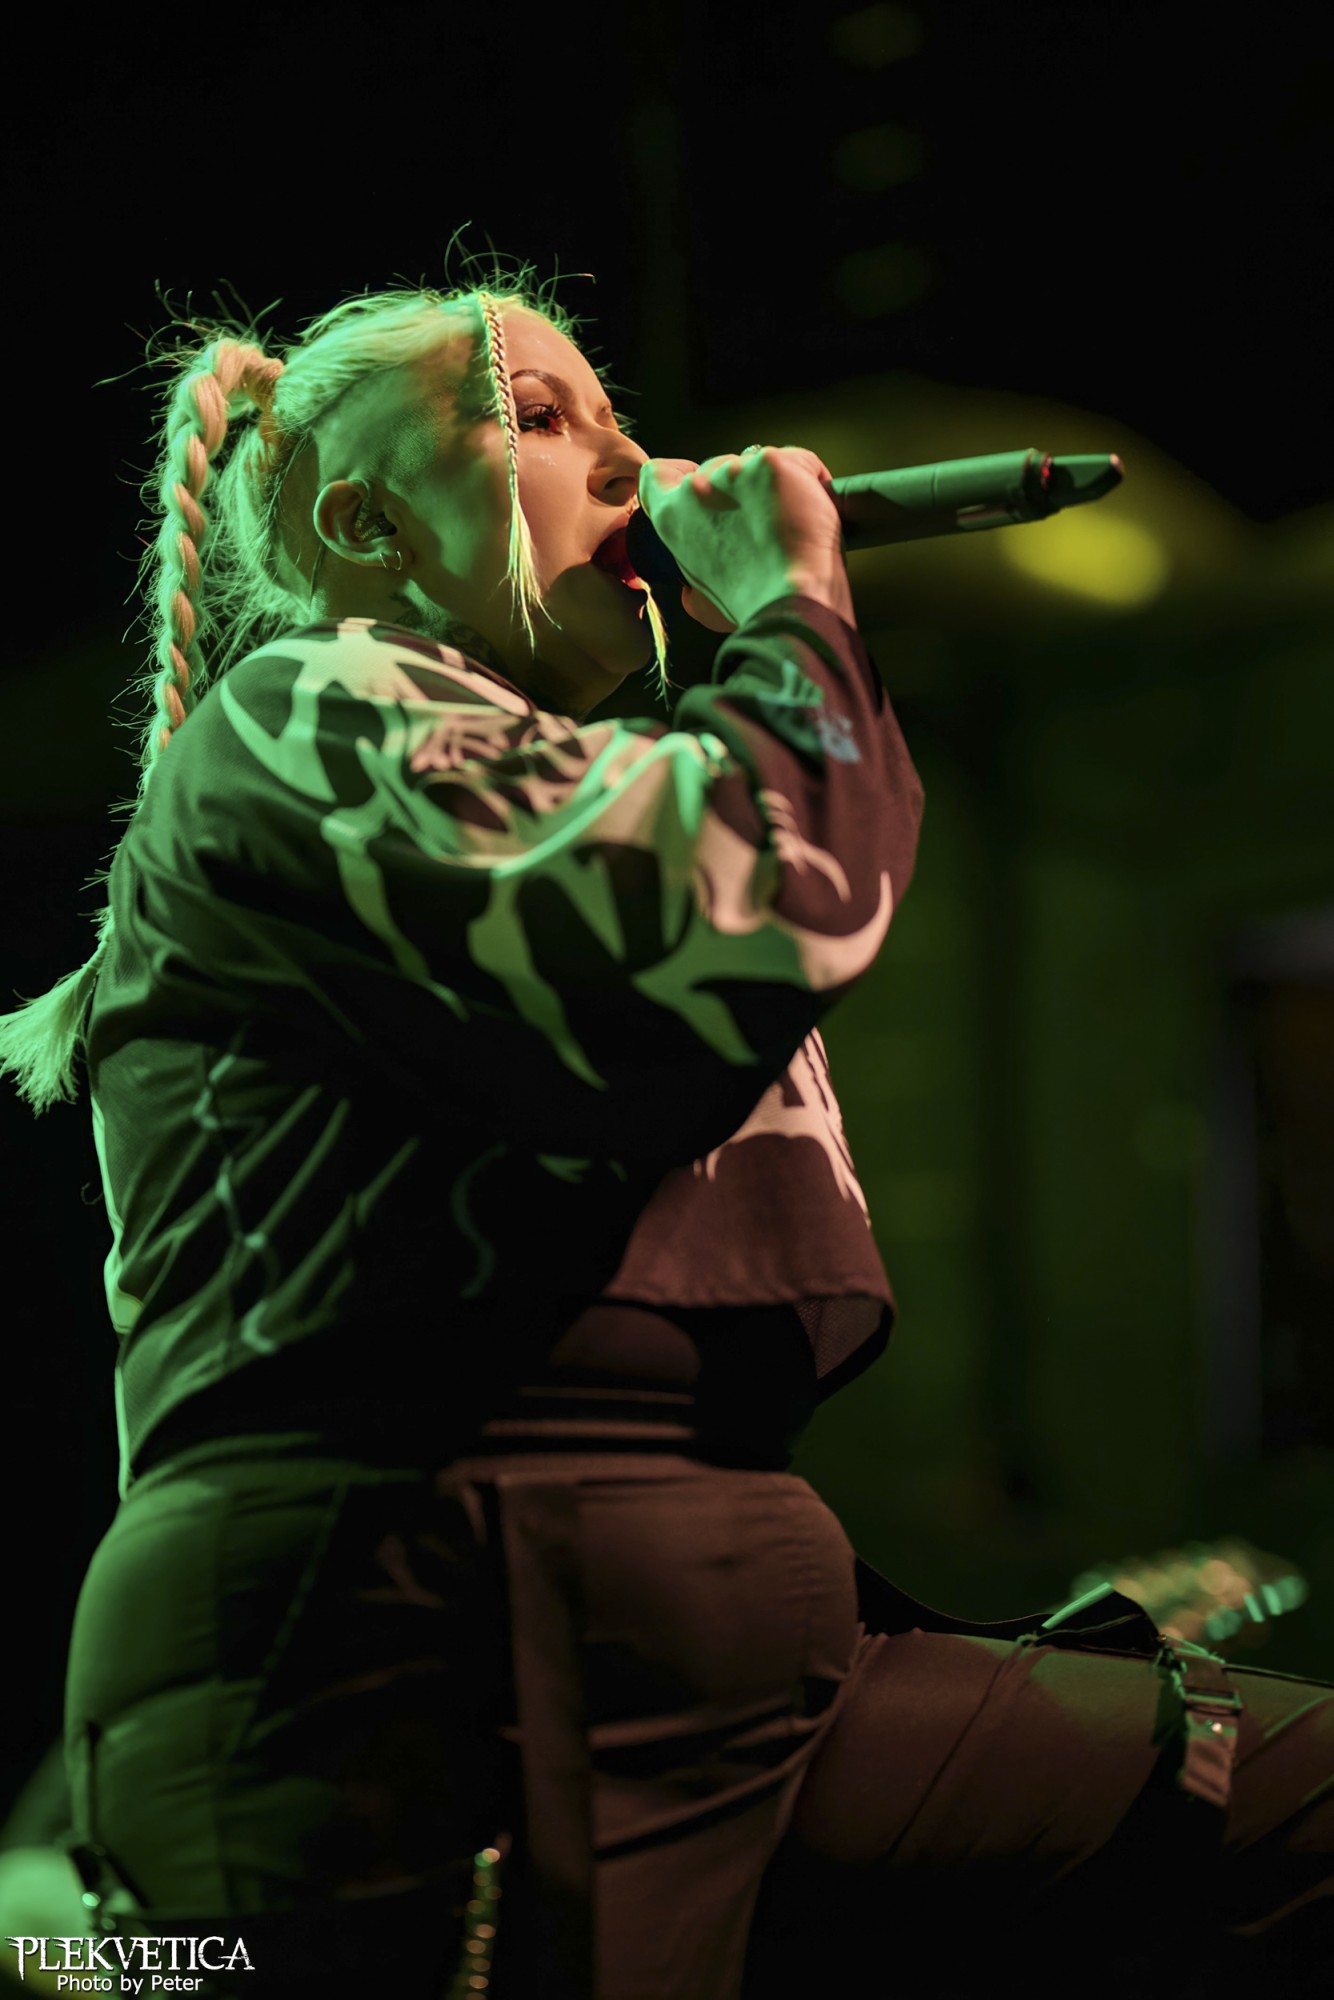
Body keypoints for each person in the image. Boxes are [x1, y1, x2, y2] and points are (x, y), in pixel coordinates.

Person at [0, 258, 1329, 2000]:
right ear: (365, 523)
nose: (630, 465)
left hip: (704, 1651)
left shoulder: (557, 773)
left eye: (619, 418)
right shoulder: (316, 706)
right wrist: (790, 607)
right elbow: (748, 906)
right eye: (540, 418)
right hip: (434, 1637)